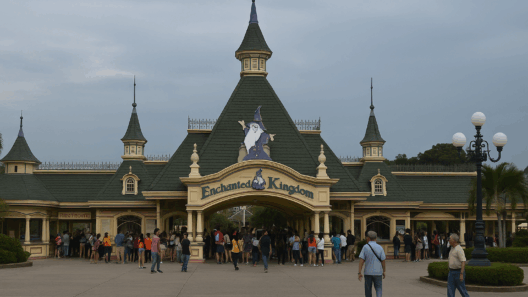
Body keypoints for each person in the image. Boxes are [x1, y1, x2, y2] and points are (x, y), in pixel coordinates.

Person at [358, 231, 386, 297]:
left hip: (368, 272)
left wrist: (359, 272)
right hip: (378, 272)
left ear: (368, 238)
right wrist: (384, 271)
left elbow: (361, 261)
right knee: (378, 289)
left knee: (368, 290)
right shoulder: (380, 247)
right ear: (376, 238)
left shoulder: (365, 247)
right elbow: (383, 260)